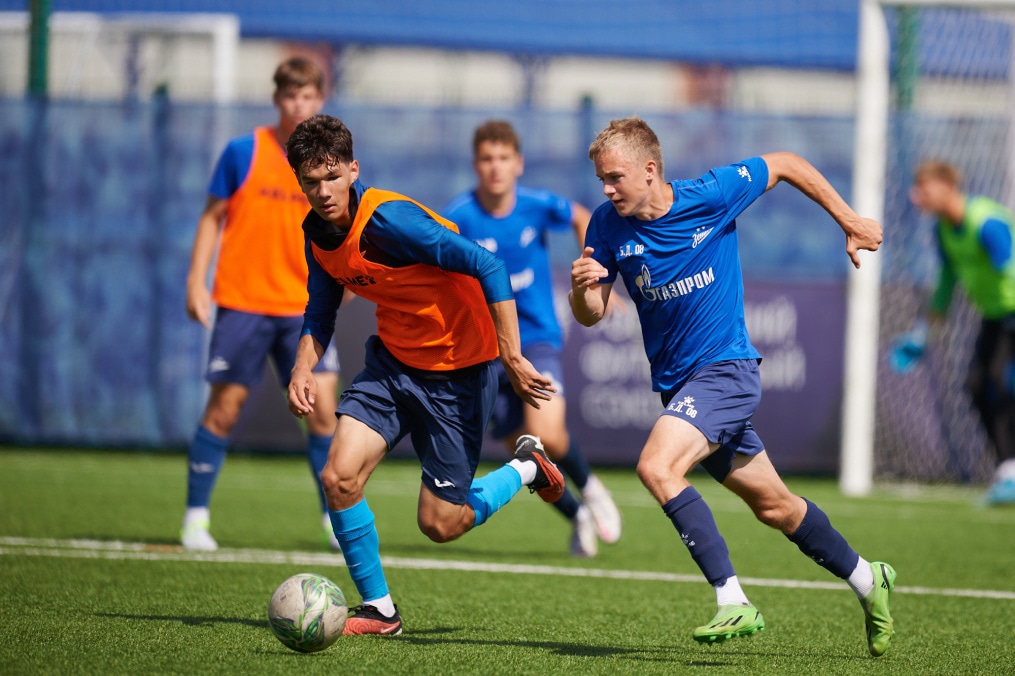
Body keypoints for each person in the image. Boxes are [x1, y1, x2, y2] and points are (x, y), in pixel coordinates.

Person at [568, 116, 896, 656]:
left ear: (650, 171)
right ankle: (867, 578)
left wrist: (850, 220)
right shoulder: (605, 225)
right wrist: (584, 290)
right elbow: (592, 315)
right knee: (776, 508)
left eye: (615, 177)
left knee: (656, 466)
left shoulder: (712, 194)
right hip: (680, 388)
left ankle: (732, 599)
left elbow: (787, 164)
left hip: (727, 372)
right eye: (602, 179)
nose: (606, 189)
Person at [286, 114, 566, 636]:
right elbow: (320, 312)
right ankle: (379, 611)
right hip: (393, 364)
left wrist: (510, 355)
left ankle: (526, 468)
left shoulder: (391, 222)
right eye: (310, 181)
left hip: (459, 373)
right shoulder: (317, 235)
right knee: (338, 477)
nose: (322, 191)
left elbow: (489, 266)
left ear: (353, 169)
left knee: (440, 524)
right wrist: (303, 365)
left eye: (331, 176)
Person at [181, 57, 343, 552]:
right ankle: (195, 518)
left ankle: (334, 522)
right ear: (278, 99)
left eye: (308, 95)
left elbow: (346, 224)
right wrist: (196, 280)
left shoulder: (330, 162)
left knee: (323, 414)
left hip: (305, 310)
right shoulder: (242, 151)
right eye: (291, 95)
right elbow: (212, 218)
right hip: (244, 302)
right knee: (224, 411)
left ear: (321, 99)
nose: (299, 104)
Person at [443, 120, 622, 558]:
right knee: (523, 454)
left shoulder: (537, 204)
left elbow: (583, 215)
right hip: (487, 349)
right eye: (487, 159)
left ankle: (591, 486)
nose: (495, 167)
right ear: (475, 164)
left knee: (547, 435)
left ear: (518, 163)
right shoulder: (459, 216)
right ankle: (577, 515)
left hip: (537, 337)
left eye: (503, 158)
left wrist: (596, 275)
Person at [892, 159, 1015, 505]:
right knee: (977, 386)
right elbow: (946, 283)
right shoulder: (943, 230)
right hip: (996, 316)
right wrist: (923, 334)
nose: (917, 197)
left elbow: (1010, 270)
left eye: (924, 188)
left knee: (1000, 382)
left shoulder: (986, 223)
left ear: (947, 186)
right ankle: (1009, 472)